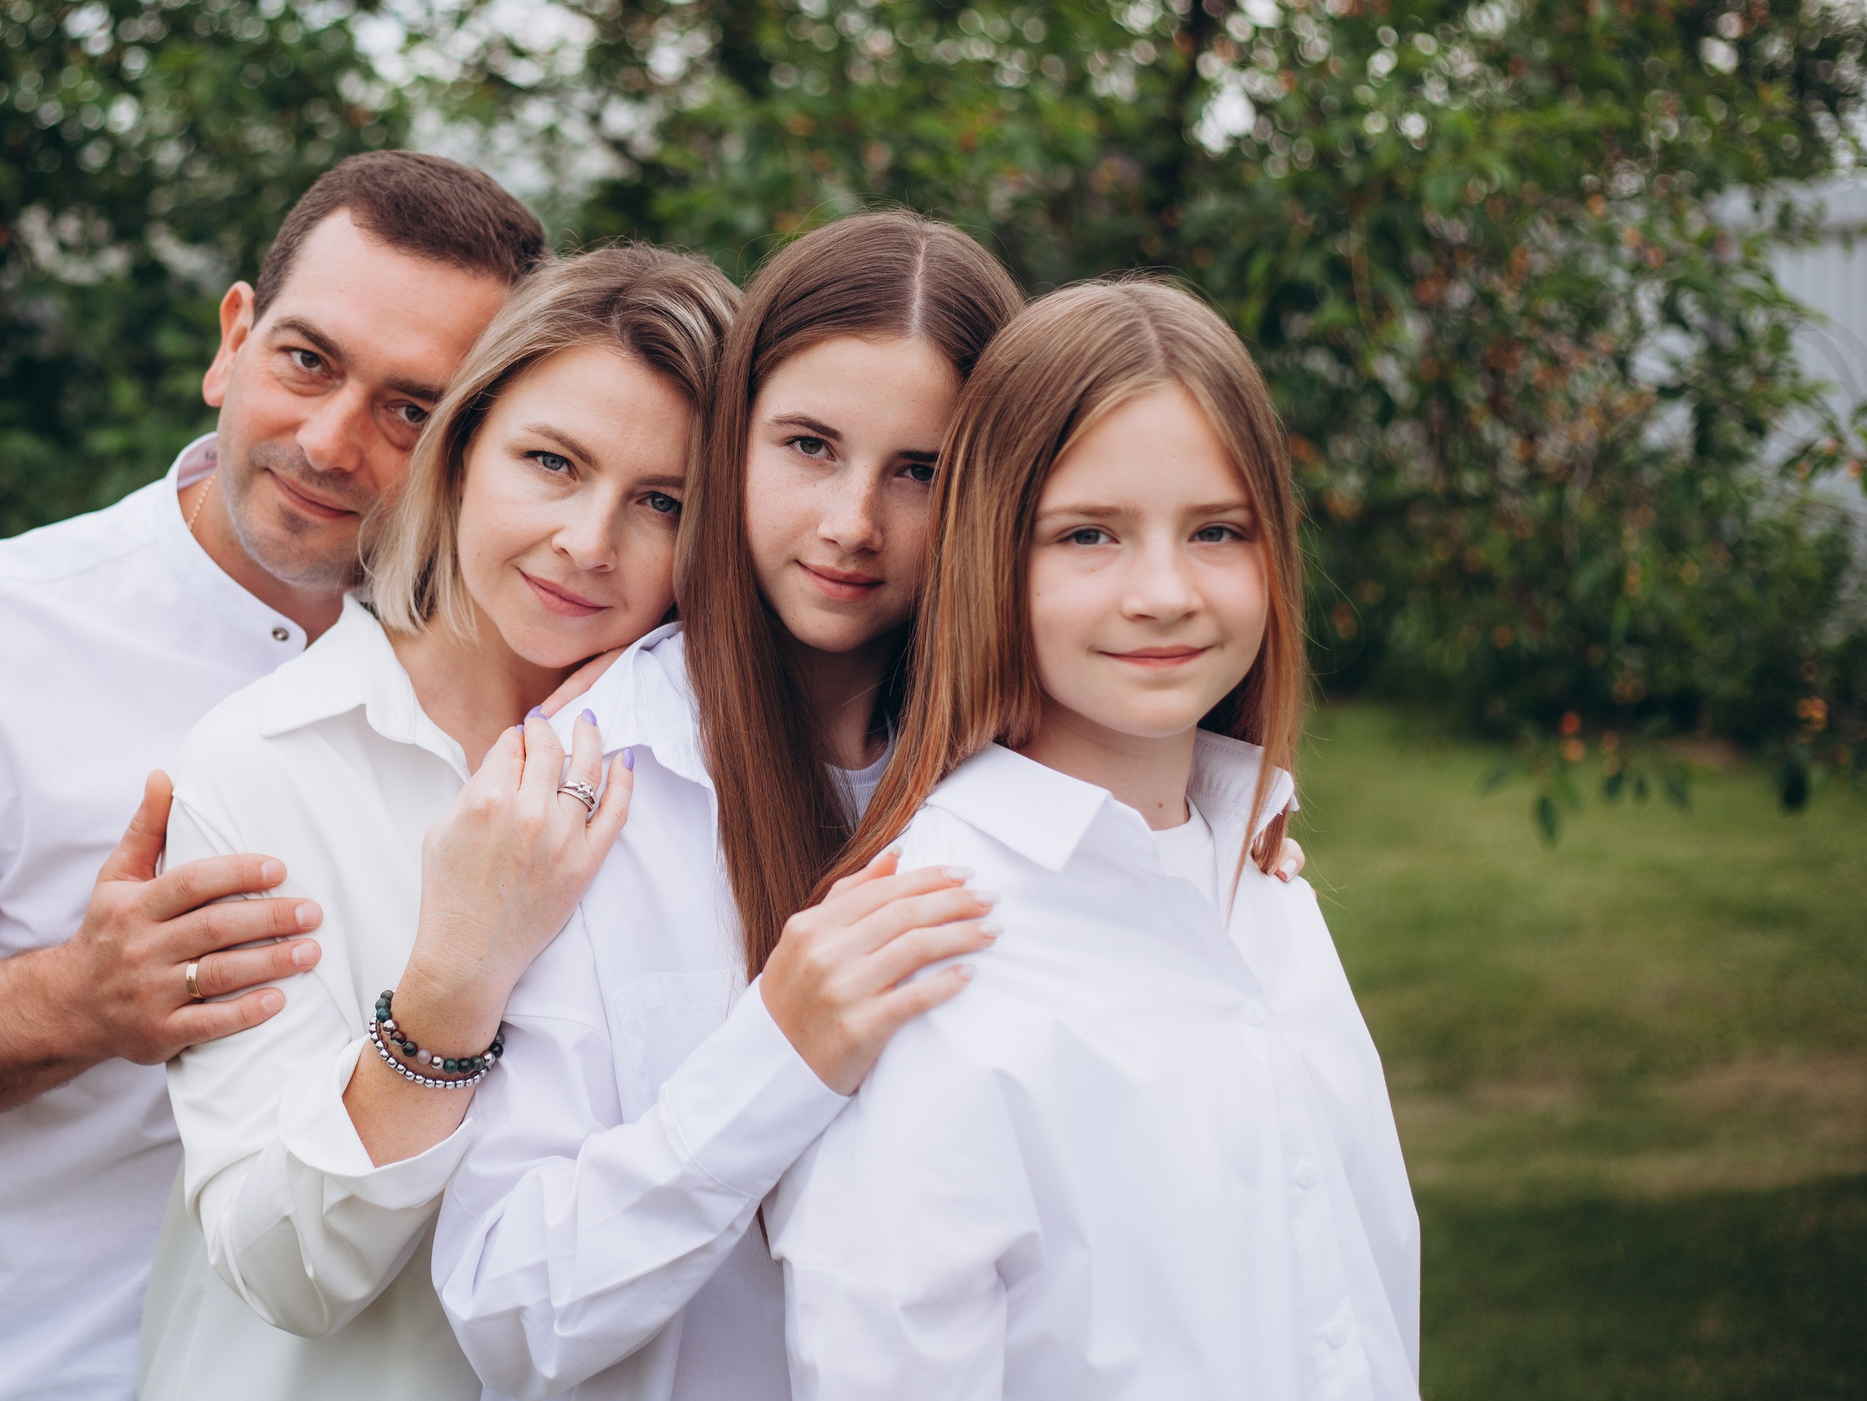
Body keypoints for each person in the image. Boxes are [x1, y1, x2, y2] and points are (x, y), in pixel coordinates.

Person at [0, 151, 547, 1401]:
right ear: (233, 339)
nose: (329, 442)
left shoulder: (539, 676)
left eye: (412, 408)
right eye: (306, 362)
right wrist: (80, 999)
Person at [767, 279, 1419, 1400]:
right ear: (990, 558)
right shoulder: (931, 951)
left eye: (1216, 530)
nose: (1163, 592)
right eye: (1087, 534)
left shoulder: (1260, 882)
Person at [429, 211, 1022, 1401]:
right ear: (731, 443)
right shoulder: (592, 775)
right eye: (809, 445)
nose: (854, 520)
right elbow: (505, 1305)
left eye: (920, 470)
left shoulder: (1031, 780)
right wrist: (778, 1054)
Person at [136, 245, 740, 1401]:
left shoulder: (715, 781)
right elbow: (285, 1270)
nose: (587, 540)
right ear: (461, 455)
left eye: (662, 502)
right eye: (551, 462)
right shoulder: (265, 762)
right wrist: (454, 978)